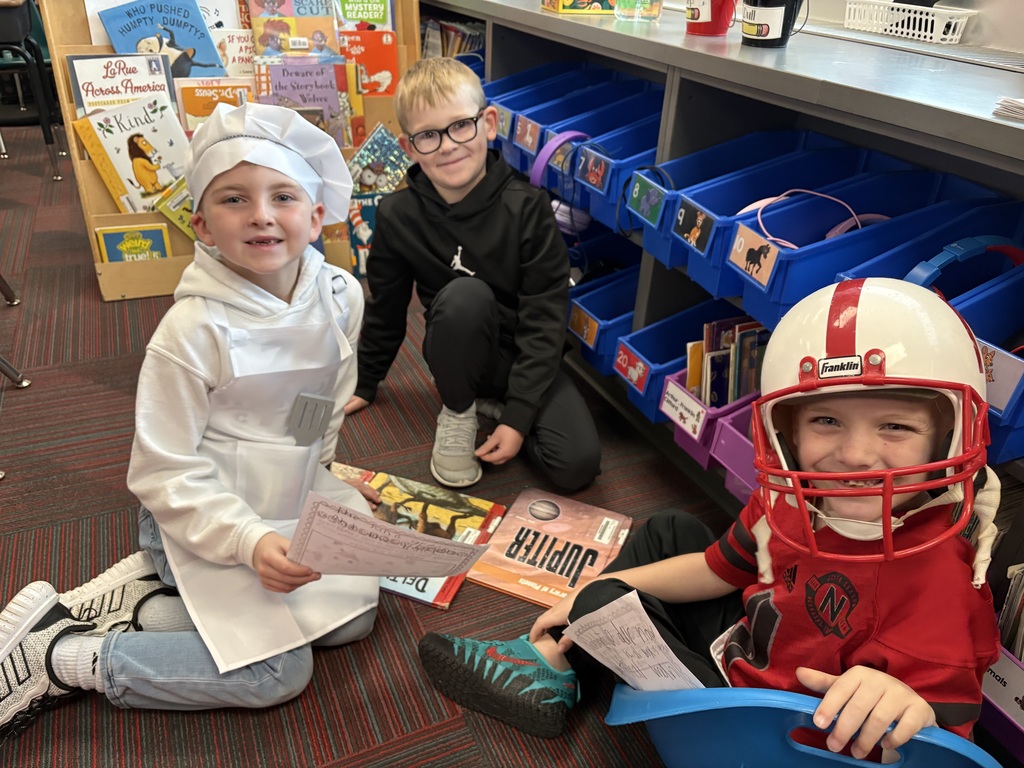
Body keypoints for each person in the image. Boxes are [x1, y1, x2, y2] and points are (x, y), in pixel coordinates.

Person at [418, 278, 1002, 759]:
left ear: (949, 436)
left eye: (895, 426)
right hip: (754, 649)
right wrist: (595, 588)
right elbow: (717, 568)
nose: (854, 454)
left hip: (766, 724)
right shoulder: (793, 502)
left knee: (606, 604)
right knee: (666, 532)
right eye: (826, 421)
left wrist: (907, 705)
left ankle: (561, 664)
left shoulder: (940, 581)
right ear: (787, 429)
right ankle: (565, 659)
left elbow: (948, 743)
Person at [0, 101, 379, 744]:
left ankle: (155, 608)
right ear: (201, 224)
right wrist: (248, 541)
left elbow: (318, 400)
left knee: (353, 619)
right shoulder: (192, 332)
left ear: (317, 216)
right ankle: (61, 655)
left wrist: (320, 474)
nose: (261, 214)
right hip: (198, 514)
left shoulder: (340, 297)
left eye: (283, 195)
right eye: (234, 199)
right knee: (277, 673)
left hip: (284, 493)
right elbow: (163, 472)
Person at [343, 57, 601, 492]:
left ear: (489, 124)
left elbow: (545, 316)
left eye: (461, 126)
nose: (447, 146)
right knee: (466, 294)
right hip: (456, 349)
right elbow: (385, 308)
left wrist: (518, 415)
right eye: (428, 135)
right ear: (409, 147)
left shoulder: (529, 208)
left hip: (523, 355)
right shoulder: (397, 214)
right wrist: (366, 381)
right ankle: (460, 411)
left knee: (576, 466)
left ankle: (497, 409)